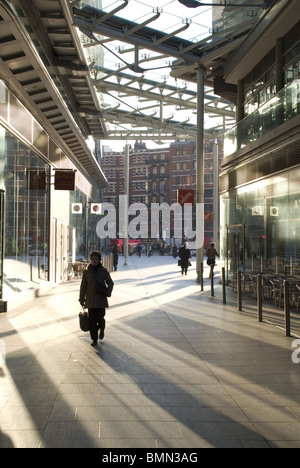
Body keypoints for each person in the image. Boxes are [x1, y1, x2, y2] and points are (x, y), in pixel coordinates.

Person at [79, 251, 114, 347]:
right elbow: (83, 286)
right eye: (93, 259)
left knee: (100, 318)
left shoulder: (103, 271)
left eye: (96, 259)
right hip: (90, 300)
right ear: (91, 260)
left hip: (101, 299)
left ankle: (102, 328)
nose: (94, 261)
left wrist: (108, 292)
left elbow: (110, 283)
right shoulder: (87, 272)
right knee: (92, 321)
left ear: (99, 260)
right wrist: (81, 298)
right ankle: (94, 339)